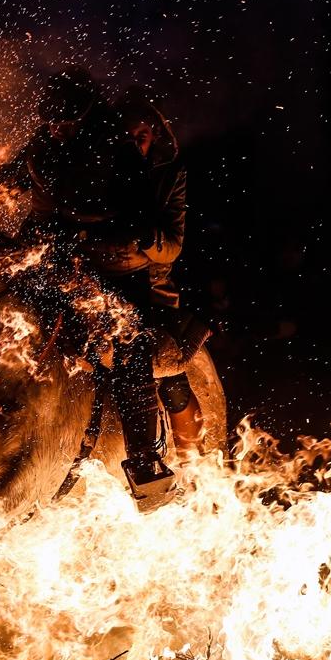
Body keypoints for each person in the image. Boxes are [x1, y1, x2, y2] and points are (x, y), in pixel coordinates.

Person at [0, 69, 177, 508]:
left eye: (66, 119)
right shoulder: (43, 145)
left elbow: (135, 217)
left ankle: (145, 465)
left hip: (110, 272)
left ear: (86, 115)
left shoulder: (117, 151)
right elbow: (16, 178)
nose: (58, 126)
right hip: (51, 261)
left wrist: (84, 234)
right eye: (52, 120)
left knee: (129, 343)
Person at [113, 89, 212, 456]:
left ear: (153, 137)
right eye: (127, 136)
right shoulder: (97, 171)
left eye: (141, 136)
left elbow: (171, 245)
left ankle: (191, 458)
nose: (135, 144)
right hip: (96, 284)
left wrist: (141, 233)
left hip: (152, 288)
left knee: (169, 377)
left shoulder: (170, 176)